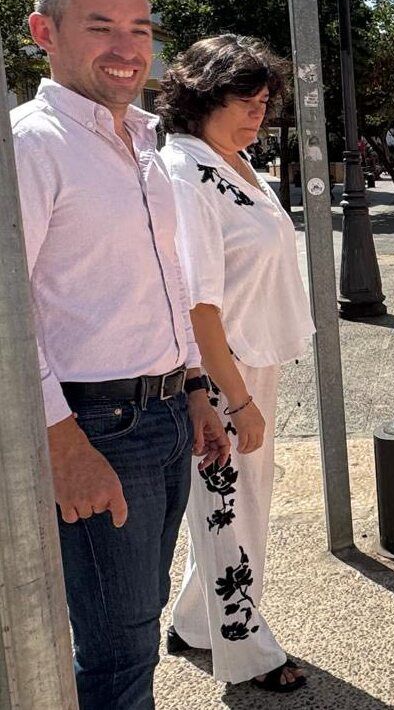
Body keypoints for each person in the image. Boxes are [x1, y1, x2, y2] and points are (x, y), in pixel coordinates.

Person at [13, 0, 227, 709]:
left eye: (140, 29)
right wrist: (60, 441)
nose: (127, 48)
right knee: (117, 649)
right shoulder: (33, 146)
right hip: (96, 421)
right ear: (45, 32)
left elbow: (166, 287)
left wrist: (196, 392)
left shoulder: (143, 144)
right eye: (101, 26)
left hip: (164, 411)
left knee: (135, 626)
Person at [158, 36, 315, 692]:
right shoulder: (186, 170)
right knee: (231, 510)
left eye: (263, 102)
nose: (258, 113)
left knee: (240, 504)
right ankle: (246, 650)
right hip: (223, 374)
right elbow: (199, 303)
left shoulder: (237, 163)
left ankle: (196, 621)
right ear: (202, 97)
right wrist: (235, 399)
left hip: (253, 360)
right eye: (243, 101)